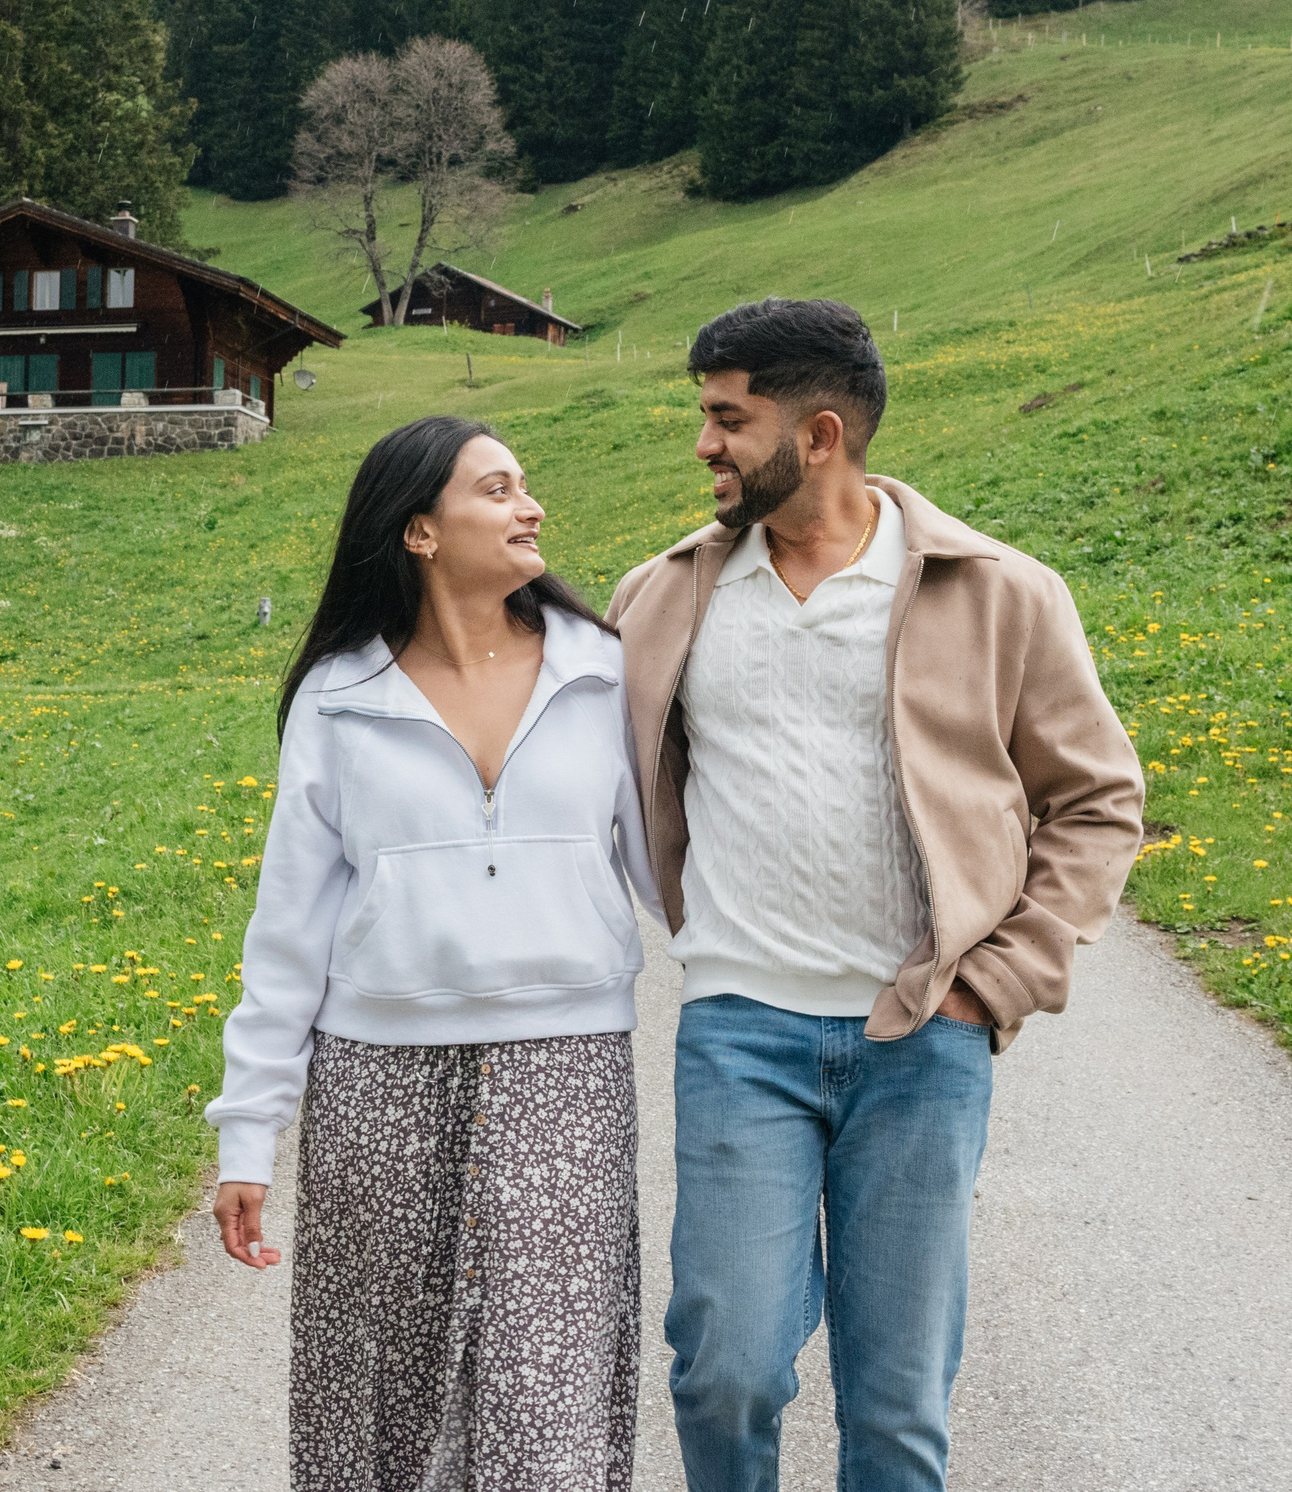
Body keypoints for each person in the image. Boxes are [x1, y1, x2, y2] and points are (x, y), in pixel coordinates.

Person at [606, 298, 1143, 1492]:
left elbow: (1098, 800)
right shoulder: (661, 597)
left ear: (820, 432)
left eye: (726, 417)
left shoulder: (996, 590)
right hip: (739, 1026)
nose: (704, 444)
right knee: (725, 1365)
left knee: (896, 1408)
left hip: (922, 1039)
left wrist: (997, 980)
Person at [207, 414, 659, 1491]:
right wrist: (247, 1133)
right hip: (378, 1079)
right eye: (497, 488)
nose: (530, 505)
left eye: (524, 484)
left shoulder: (605, 673)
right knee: (381, 1400)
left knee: (541, 1398)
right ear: (419, 529)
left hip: (569, 1071)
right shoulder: (339, 695)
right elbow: (288, 928)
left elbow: (669, 872)